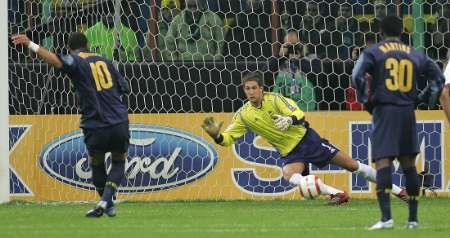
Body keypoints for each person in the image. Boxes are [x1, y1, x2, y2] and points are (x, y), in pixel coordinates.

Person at [201, 72, 407, 206]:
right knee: (289, 174)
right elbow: (227, 139)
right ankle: (337, 194)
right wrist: (216, 135)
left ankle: (399, 191)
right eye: (247, 88)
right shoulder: (243, 114)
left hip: (307, 141)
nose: (251, 92)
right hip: (289, 152)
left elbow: (299, 114)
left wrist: (289, 119)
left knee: (353, 166)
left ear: (262, 88)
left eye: (255, 87)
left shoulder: (276, 99)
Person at [11, 33, 130, 217]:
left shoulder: (76, 59)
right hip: (119, 121)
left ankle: (105, 202)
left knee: (96, 162)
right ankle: (107, 203)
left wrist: (31, 44)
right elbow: (124, 87)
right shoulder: (104, 60)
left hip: (95, 123)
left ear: (69, 48)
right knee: (119, 160)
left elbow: (57, 62)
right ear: (88, 44)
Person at [352, 16, 444, 230]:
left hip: (385, 110)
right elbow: (438, 80)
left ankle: (386, 218)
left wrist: (366, 101)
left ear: (381, 31)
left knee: (383, 162)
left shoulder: (374, 51)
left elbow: (357, 75)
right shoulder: (414, 53)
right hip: (407, 112)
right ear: (402, 31)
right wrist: (423, 99)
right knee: (409, 165)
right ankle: (412, 220)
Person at [274, 31, 316, 111]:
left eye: (295, 45)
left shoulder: (311, 58)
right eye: (289, 46)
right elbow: (265, 74)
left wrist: (300, 58)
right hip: (284, 108)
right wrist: (279, 57)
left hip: (306, 107)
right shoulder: (281, 62)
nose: (292, 48)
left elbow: (315, 75)